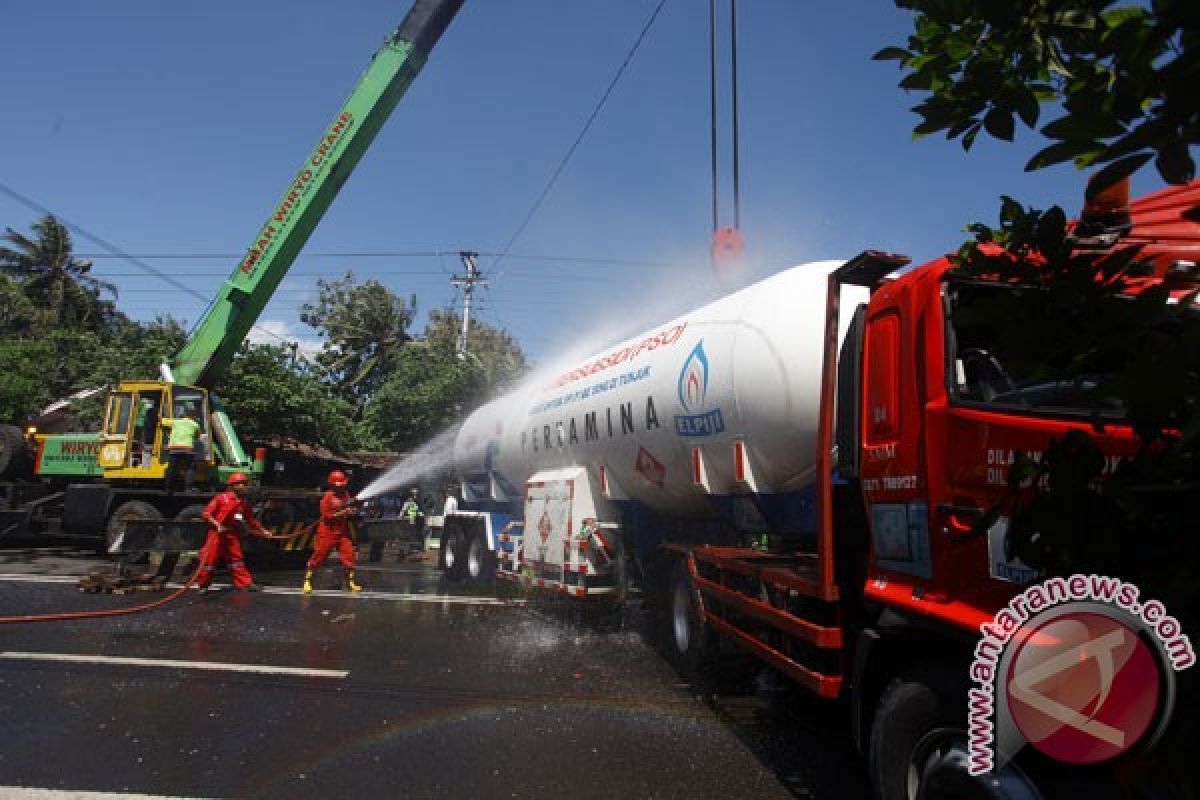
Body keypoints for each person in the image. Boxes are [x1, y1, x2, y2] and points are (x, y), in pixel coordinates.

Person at [196, 472, 267, 593]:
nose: (244, 486)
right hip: (216, 535)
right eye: (241, 484)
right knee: (209, 561)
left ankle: (245, 583)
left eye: (245, 484)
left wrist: (263, 530)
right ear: (233, 486)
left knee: (236, 560)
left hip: (231, 534)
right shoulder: (221, 498)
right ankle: (203, 585)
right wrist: (217, 525)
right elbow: (206, 514)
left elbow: (251, 519)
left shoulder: (244, 503)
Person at [304, 470, 362, 593]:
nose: (341, 487)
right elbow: (327, 516)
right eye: (338, 485)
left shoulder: (346, 494)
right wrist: (344, 512)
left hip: (341, 531)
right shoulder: (327, 497)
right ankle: (307, 580)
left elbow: (348, 507)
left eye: (342, 485)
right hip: (327, 531)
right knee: (319, 555)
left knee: (349, 554)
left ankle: (350, 582)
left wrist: (353, 509)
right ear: (332, 485)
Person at [163, 406, 201, 493]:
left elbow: (162, 421)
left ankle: (168, 488)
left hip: (174, 449)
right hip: (188, 449)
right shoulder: (195, 424)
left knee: (172, 468)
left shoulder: (176, 422)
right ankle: (188, 488)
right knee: (190, 468)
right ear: (193, 417)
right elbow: (198, 437)